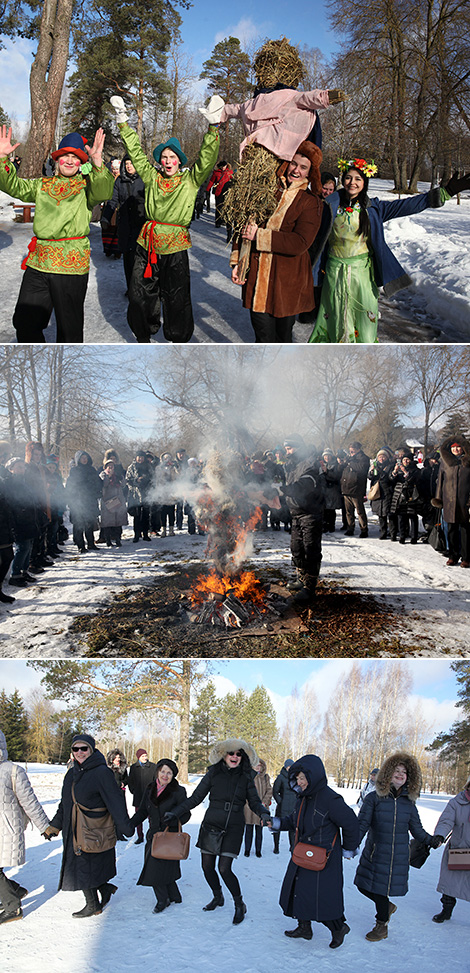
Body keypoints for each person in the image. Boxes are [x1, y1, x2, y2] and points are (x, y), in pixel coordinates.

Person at [309, 158, 470, 343]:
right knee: (335, 317)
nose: (352, 182)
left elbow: (409, 205)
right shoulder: (328, 207)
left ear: (365, 182)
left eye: (358, 179)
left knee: (363, 320)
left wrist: (446, 192)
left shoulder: (374, 208)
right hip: (334, 273)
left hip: (362, 275)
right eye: (348, 177)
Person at [110, 94, 222, 342]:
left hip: (176, 247)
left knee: (177, 296)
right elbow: (136, 154)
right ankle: (143, 335)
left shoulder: (189, 181)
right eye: (164, 157)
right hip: (146, 244)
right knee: (139, 293)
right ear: (160, 160)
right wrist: (123, 122)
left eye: (173, 158)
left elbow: (206, 160)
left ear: (179, 161)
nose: (168, 161)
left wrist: (213, 128)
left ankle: (178, 338)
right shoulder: (151, 177)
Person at [0, 125, 114, 342]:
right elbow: (13, 186)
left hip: (71, 266)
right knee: (25, 322)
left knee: (69, 330)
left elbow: (104, 191)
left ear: (81, 162)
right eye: (65, 156)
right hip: (39, 263)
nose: (70, 161)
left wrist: (98, 163)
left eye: (75, 157)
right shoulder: (42, 186)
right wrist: (2, 160)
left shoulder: (86, 188)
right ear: (57, 160)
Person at [165, 738, 271, 924]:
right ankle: (218, 896)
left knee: (224, 868)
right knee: (207, 867)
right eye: (231, 753)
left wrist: (263, 813)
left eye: (239, 754)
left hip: (234, 826)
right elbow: (196, 798)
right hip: (212, 824)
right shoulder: (213, 773)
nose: (235, 756)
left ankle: (239, 904)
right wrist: (176, 812)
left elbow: (254, 801)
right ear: (224, 755)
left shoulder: (246, 777)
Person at [230, 142, 324, 342]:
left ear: (310, 173)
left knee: (282, 337)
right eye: (293, 163)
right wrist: (238, 261)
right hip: (256, 277)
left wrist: (260, 236)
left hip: (286, 283)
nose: (296, 170)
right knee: (262, 335)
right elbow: (244, 224)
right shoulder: (266, 189)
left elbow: (300, 242)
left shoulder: (311, 202)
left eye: (303, 167)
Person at [272, 754, 359, 949]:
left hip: (324, 858)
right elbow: (294, 820)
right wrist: (275, 822)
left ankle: (338, 928)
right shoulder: (302, 798)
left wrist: (349, 849)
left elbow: (352, 823)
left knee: (323, 897)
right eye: (297, 778)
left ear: (314, 776)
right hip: (302, 853)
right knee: (298, 891)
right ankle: (304, 927)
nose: (299, 782)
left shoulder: (330, 799)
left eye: (303, 778)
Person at [354, 751, 441, 941]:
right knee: (363, 885)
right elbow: (361, 825)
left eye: (404, 772)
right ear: (388, 774)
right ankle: (386, 908)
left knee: (381, 891)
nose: (401, 774)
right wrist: (351, 845)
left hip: (398, 856)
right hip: (375, 854)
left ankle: (381, 926)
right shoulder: (373, 799)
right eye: (397, 770)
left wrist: (431, 840)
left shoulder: (408, 803)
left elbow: (417, 830)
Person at [48, 733, 133, 917]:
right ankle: (105, 888)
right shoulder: (71, 773)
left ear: (92, 749)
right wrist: (54, 825)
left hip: (94, 829)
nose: (80, 752)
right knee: (85, 865)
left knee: (85, 866)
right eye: (75, 749)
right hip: (74, 828)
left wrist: (125, 826)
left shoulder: (102, 772)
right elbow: (65, 802)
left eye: (84, 748)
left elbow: (114, 800)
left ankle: (93, 905)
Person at [0, 729, 54, 924]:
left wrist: (44, 826)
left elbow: (29, 801)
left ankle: (13, 906)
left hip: (5, 829)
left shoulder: (12, 771)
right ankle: (15, 891)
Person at [131, 758, 190, 912]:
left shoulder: (178, 791)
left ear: (173, 775)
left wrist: (175, 817)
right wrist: (130, 823)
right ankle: (174, 896)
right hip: (153, 835)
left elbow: (186, 815)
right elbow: (143, 811)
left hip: (169, 837)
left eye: (169, 773)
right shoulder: (150, 788)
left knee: (161, 869)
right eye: (163, 771)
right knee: (155, 868)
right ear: (157, 771)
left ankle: (163, 901)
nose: (165, 775)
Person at [281, 434, 324, 604]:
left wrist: (281, 491)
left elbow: (302, 487)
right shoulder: (291, 465)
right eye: (286, 449)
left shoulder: (310, 464)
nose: (287, 452)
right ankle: (301, 579)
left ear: (298, 447)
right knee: (296, 548)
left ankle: (310, 587)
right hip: (296, 513)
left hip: (310, 513)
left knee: (310, 549)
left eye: (289, 448)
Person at [431, 774, 470, 923]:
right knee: (450, 884)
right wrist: (440, 835)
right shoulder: (457, 802)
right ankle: (446, 911)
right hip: (458, 850)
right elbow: (446, 820)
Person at [106, 155, 146, 290]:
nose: (129, 166)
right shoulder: (119, 182)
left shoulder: (144, 180)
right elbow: (113, 201)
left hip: (141, 224)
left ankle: (140, 288)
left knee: (140, 258)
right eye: (127, 163)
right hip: (125, 225)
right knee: (128, 258)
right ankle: (130, 288)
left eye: (132, 163)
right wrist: (106, 217)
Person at [432, 436, 470, 567]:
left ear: (463, 448)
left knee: (465, 530)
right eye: (453, 447)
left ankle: (466, 557)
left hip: (465, 502)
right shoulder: (445, 462)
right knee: (451, 529)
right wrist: (438, 499)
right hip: (449, 501)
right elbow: (440, 482)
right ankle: (453, 555)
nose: (456, 449)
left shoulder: (468, 462)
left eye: (458, 447)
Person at [66, 451, 102, 553]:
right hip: (78, 501)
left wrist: (97, 491)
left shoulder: (92, 470)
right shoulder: (74, 471)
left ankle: (91, 543)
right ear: (78, 459)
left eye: (86, 457)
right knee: (79, 524)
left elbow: (98, 483)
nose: (85, 459)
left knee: (90, 523)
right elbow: (70, 487)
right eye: (82, 458)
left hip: (90, 501)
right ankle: (80, 545)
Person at [388, 450, 422, 544]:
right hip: (399, 496)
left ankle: (413, 537)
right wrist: (395, 471)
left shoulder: (415, 470)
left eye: (407, 460)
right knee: (401, 517)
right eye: (404, 460)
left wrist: (405, 472)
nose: (405, 462)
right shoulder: (397, 470)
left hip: (411, 496)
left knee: (413, 517)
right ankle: (402, 536)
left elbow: (412, 480)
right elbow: (391, 480)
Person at [128, 749, 158, 844]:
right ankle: (140, 836)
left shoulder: (153, 767)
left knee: (151, 817)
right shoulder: (134, 767)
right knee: (138, 817)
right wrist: (134, 791)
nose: (145, 757)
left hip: (150, 796)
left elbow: (156, 780)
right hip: (138, 796)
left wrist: (153, 792)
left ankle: (152, 835)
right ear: (138, 757)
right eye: (142, 756)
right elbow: (130, 781)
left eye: (145, 755)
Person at [341, 441, 370, 538]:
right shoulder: (350, 458)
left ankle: (364, 529)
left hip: (357, 489)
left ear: (358, 449)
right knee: (348, 512)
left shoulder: (364, 458)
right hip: (346, 488)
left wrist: (351, 462)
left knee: (360, 511)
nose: (351, 452)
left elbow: (361, 469)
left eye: (353, 450)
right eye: (350, 451)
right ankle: (350, 528)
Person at [244, 759, 272, 857]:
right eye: (256, 765)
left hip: (261, 807)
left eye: (260, 765)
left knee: (259, 831)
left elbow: (269, 790)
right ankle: (247, 849)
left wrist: (264, 801)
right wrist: (248, 801)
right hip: (249, 808)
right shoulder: (248, 776)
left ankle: (258, 850)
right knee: (248, 830)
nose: (258, 767)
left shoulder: (265, 777)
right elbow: (243, 790)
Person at [99, 460, 128, 547]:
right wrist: (109, 476)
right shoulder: (102, 475)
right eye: (109, 466)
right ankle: (108, 540)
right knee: (108, 522)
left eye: (112, 466)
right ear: (105, 467)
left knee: (117, 522)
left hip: (118, 500)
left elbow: (123, 485)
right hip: (107, 501)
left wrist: (121, 478)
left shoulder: (118, 475)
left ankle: (118, 539)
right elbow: (104, 485)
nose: (111, 468)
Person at [368, 448, 395, 540]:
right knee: (381, 514)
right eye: (380, 457)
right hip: (378, 491)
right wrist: (372, 471)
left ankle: (392, 533)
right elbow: (370, 477)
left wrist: (379, 471)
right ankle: (383, 532)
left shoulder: (390, 466)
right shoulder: (376, 466)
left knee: (390, 514)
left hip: (388, 491)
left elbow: (388, 478)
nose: (381, 458)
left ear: (387, 457)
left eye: (383, 456)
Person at [125, 451, 152, 542]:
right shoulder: (131, 467)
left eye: (142, 457)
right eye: (138, 457)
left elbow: (153, 478)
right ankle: (137, 534)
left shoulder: (148, 467)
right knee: (137, 516)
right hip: (135, 494)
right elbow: (128, 480)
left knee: (146, 515)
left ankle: (145, 534)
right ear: (136, 458)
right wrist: (137, 480)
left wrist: (146, 480)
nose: (140, 459)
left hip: (146, 494)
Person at [272, 759, 296, 854]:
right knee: (277, 826)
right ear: (285, 767)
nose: (290, 768)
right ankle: (276, 846)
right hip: (282, 807)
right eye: (289, 767)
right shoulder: (280, 778)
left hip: (293, 807)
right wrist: (280, 802)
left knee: (292, 828)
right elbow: (275, 791)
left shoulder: (295, 778)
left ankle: (292, 846)